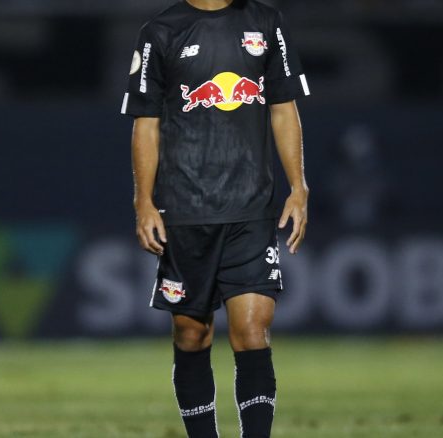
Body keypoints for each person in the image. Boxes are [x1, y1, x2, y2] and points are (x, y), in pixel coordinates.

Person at [120, 0, 310, 436]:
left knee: (252, 330)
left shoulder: (266, 22)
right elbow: (146, 122)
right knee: (192, 335)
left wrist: (298, 187)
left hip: (251, 206)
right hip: (185, 209)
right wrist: (143, 202)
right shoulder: (161, 31)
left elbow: (284, 108)